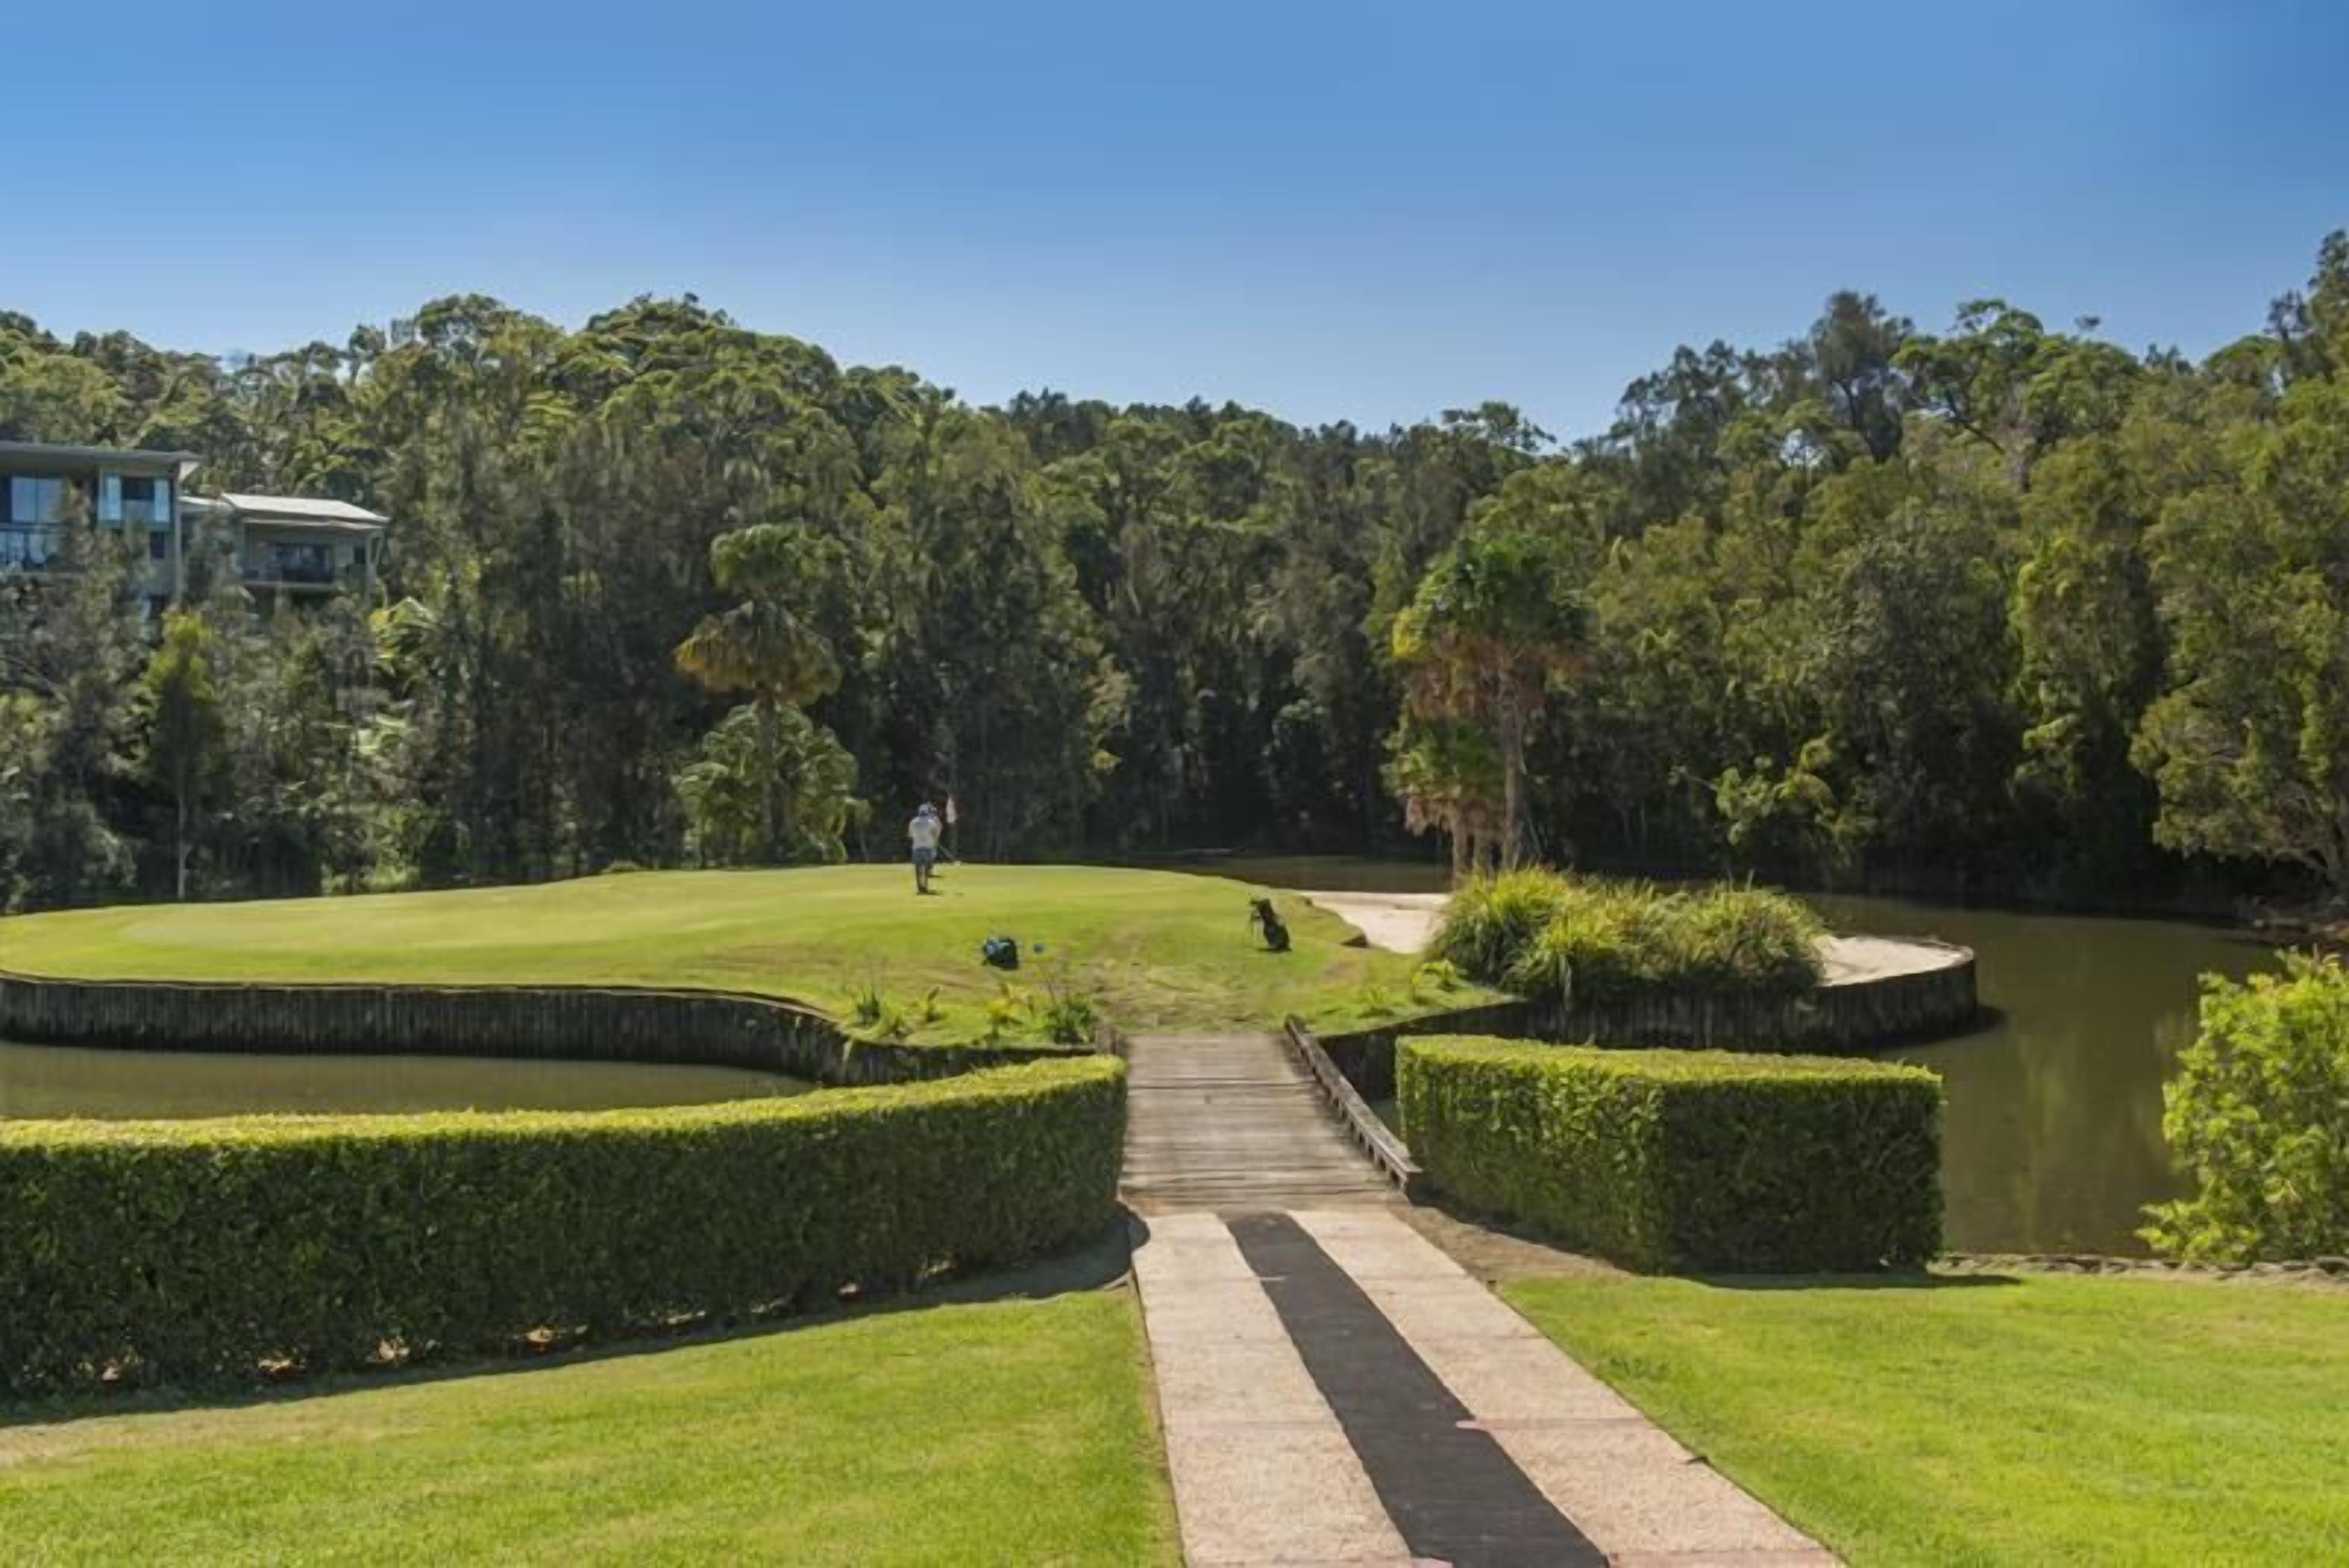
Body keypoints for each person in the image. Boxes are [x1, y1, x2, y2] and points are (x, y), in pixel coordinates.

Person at [908, 802, 943, 893]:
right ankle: (926, 886)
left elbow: (910, 835)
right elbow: (935, 834)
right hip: (928, 847)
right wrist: (934, 843)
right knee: (926, 868)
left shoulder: (913, 821)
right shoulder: (931, 822)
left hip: (916, 847)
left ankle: (919, 887)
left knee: (918, 869)